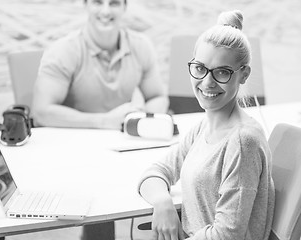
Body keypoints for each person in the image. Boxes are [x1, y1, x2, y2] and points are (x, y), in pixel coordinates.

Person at [138, 10, 275, 240]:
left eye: (222, 72)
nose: (207, 82)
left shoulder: (242, 142)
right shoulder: (204, 128)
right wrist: (163, 204)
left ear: (244, 75)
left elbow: (227, 235)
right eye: (200, 68)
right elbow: (155, 172)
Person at [32, 0, 168, 130]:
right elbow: (40, 112)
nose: (106, 11)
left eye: (114, 3)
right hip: (74, 142)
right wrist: (104, 121)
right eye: (97, 2)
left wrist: (140, 117)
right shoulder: (64, 51)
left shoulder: (141, 46)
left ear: (124, 7)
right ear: (85, 5)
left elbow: (158, 97)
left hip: (124, 140)